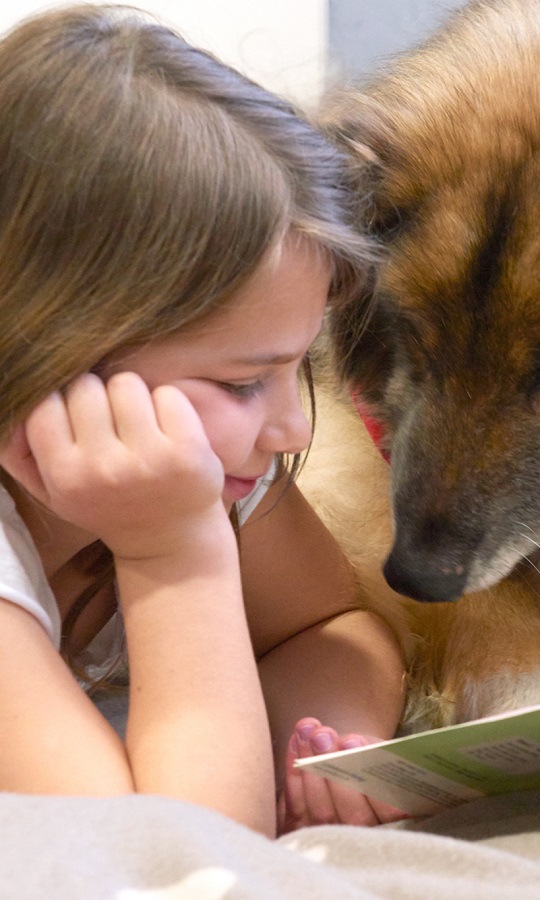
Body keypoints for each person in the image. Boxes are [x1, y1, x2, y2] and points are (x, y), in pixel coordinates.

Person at [0, 4, 406, 839]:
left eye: (299, 366)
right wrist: (173, 556)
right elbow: (165, 858)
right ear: (47, 350)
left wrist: (317, 746)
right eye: (246, 382)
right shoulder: (174, 507)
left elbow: (331, 627)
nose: (294, 428)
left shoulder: (201, 470)